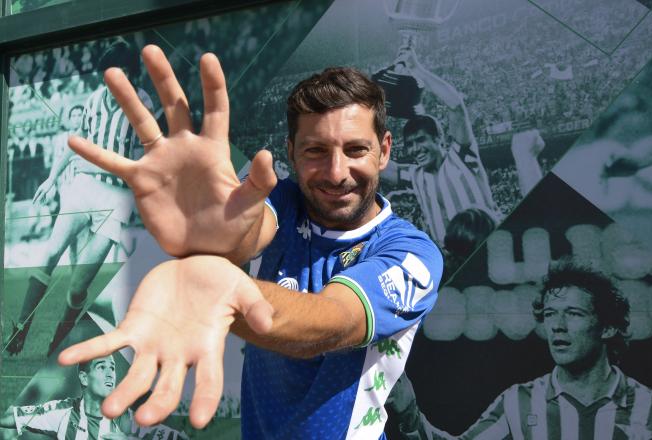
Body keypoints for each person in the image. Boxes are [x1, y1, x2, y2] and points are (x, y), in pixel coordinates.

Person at [55, 44, 443, 439]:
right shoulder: (285, 199)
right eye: (316, 151)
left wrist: (214, 292)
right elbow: (245, 232)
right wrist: (209, 231)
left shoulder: (412, 254)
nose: (336, 171)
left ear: (385, 151)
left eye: (355, 149)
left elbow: (331, 323)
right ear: (291, 152)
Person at [386, 260, 652, 439]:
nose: (558, 326)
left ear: (608, 327)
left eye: (574, 314)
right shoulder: (519, 402)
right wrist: (409, 410)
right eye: (551, 314)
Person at [3, 39, 153, 357]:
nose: (115, 82)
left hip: (117, 199)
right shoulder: (94, 100)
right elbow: (76, 144)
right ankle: (20, 328)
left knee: (77, 287)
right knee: (50, 252)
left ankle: (61, 336)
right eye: (111, 75)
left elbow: (146, 160)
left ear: (132, 75)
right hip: (83, 187)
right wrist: (52, 177)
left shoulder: (143, 105)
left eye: (123, 74)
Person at [380, 45, 500, 245]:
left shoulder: (461, 157)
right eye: (410, 144)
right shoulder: (416, 175)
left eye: (420, 140)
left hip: (486, 244)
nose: (414, 149)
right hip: (450, 258)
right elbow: (380, 165)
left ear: (439, 139)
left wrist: (416, 68)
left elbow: (456, 106)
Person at [0, 355, 187, 439]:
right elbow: (8, 417)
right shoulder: (61, 413)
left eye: (112, 368)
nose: (110, 374)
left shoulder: (127, 420)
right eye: (101, 367)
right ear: (84, 378)